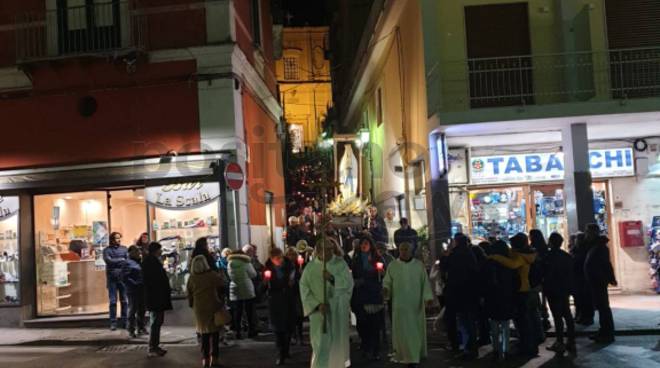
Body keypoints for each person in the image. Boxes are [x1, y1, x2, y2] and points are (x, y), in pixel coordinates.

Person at [300, 238, 354, 368]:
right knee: (321, 345)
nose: (330, 251)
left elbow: (348, 284)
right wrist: (317, 305)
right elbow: (304, 289)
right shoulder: (310, 268)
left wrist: (332, 279)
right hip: (319, 314)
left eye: (331, 248)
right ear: (318, 251)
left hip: (337, 311)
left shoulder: (340, 264)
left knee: (338, 344)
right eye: (326, 249)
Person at [488, 233, 541, 357]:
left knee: (523, 321)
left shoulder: (521, 257)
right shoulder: (526, 253)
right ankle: (529, 345)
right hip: (525, 289)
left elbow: (512, 264)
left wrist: (494, 256)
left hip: (522, 290)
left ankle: (527, 347)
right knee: (526, 320)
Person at [383, 242, 434, 368]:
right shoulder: (393, 266)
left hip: (415, 305)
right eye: (402, 249)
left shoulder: (418, 266)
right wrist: (385, 290)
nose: (404, 251)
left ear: (411, 251)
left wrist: (428, 298)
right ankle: (403, 355)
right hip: (399, 305)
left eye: (406, 249)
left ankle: (414, 356)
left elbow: (425, 283)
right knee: (402, 332)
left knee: (414, 331)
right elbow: (387, 282)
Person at [187, 255, 227, 368]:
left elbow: (189, 294)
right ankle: (214, 358)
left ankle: (205, 359)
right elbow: (222, 284)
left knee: (203, 333)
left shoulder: (192, 278)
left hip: (199, 308)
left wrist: (191, 304)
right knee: (214, 333)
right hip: (213, 305)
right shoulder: (212, 275)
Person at [445, 233, 479, 360]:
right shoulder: (470, 254)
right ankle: (471, 348)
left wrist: (446, 256)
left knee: (463, 322)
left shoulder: (455, 254)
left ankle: (467, 348)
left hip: (458, 293)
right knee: (470, 322)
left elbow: (446, 268)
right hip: (470, 293)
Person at [351, 237, 386, 361]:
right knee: (363, 323)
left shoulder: (378, 258)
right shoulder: (356, 259)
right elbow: (353, 275)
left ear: (371, 245)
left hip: (374, 294)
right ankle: (366, 346)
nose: (364, 246)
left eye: (366, 243)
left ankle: (376, 349)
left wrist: (381, 272)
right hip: (361, 294)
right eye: (362, 244)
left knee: (375, 324)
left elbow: (383, 275)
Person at [483, 240, 518, 361]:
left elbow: (484, 283)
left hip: (492, 298)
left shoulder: (488, 263)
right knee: (505, 325)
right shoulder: (509, 263)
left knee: (494, 326)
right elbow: (515, 281)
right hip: (506, 297)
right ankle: (506, 350)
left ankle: (495, 349)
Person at [543, 233, 576, 355]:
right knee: (567, 314)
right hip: (564, 289)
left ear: (551, 242)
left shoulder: (548, 256)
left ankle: (560, 342)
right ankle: (571, 341)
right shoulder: (567, 256)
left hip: (553, 289)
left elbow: (546, 274)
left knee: (557, 316)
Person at [584, 224, 617, 343]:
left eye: (588, 232)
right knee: (601, 307)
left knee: (603, 307)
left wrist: (611, 278)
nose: (586, 234)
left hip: (599, 281)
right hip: (595, 281)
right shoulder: (595, 246)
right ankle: (603, 330)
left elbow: (606, 264)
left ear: (593, 233)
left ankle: (607, 333)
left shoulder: (600, 247)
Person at [264, 248, 296, 365]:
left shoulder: (289, 266)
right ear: (272, 259)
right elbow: (261, 290)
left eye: (280, 258)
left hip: (288, 300)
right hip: (275, 301)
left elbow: (295, 280)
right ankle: (280, 354)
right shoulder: (268, 268)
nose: (279, 261)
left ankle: (286, 350)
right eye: (277, 259)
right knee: (278, 330)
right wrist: (265, 281)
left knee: (288, 328)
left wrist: (292, 283)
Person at [142, 242, 173, 358]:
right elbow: (153, 281)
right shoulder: (150, 262)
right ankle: (152, 347)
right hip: (155, 297)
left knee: (157, 322)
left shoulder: (151, 261)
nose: (161, 252)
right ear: (156, 250)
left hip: (156, 297)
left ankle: (155, 345)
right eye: (160, 250)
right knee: (155, 322)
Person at [227, 249, 258, 339]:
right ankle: (251, 331)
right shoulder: (246, 263)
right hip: (246, 287)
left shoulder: (230, 263)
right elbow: (253, 274)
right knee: (249, 311)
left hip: (234, 287)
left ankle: (238, 332)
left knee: (238, 311)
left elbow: (229, 276)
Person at [103, 232, 128, 330]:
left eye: (119, 238)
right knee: (113, 301)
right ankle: (113, 323)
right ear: (112, 240)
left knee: (124, 301)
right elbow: (108, 261)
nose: (119, 240)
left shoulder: (124, 249)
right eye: (117, 238)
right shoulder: (107, 250)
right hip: (112, 279)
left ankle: (125, 321)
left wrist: (116, 261)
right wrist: (121, 259)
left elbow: (127, 260)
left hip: (123, 278)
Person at [123, 245, 147, 338]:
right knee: (133, 309)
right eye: (136, 251)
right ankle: (131, 329)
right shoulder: (127, 263)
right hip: (133, 290)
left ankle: (141, 327)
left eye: (139, 251)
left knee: (142, 309)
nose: (139, 253)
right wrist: (134, 283)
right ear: (131, 252)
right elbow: (124, 277)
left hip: (141, 288)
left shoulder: (139, 262)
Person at [529, 229, 551, 332]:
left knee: (536, 299)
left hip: (535, 277)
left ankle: (540, 320)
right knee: (543, 298)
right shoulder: (545, 248)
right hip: (544, 276)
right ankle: (544, 318)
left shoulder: (532, 249)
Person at [572, 232, 594, 325]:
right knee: (579, 299)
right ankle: (580, 315)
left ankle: (586, 317)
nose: (576, 241)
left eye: (578, 239)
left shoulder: (585, 251)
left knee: (585, 299)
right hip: (578, 279)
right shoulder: (576, 250)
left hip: (583, 279)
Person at [285, 247, 305, 345]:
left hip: (297, 292)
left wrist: (301, 273)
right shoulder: (285, 266)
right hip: (288, 293)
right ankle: (293, 336)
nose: (291, 257)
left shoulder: (299, 265)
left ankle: (300, 336)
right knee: (291, 316)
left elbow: (302, 278)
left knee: (299, 315)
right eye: (290, 255)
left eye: (293, 255)